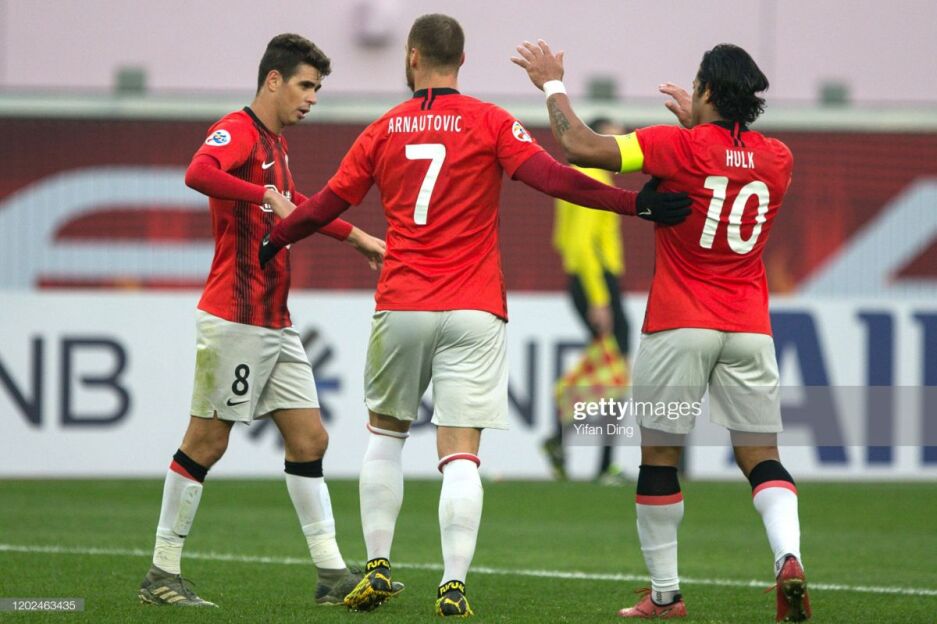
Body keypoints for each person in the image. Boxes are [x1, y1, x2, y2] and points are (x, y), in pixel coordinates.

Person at [259, 14, 691, 617]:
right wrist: (634, 205)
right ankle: (453, 584)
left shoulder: (383, 129)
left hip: (403, 301)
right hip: (475, 306)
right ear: (461, 61)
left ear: (412, 57)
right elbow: (556, 179)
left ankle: (377, 566)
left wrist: (278, 236)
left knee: (385, 436)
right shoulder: (490, 121)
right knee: (461, 453)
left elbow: (329, 201)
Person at [513, 41, 810, 621]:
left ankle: (666, 595)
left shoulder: (674, 146)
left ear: (706, 91)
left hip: (680, 323)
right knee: (762, 457)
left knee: (659, 459)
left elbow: (579, 146)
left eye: (696, 85)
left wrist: (551, 83)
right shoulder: (779, 158)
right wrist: (700, 127)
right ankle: (788, 557)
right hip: (749, 327)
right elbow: (725, 167)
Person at [137, 33, 388, 608]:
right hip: (236, 317)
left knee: (309, 437)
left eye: (317, 88)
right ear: (273, 80)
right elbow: (198, 172)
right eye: (306, 85)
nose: (312, 97)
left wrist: (356, 236)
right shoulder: (238, 129)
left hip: (274, 320)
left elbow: (296, 203)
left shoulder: (275, 142)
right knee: (207, 440)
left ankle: (331, 574)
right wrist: (262, 194)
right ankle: (161, 573)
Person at [545, 116, 632, 484]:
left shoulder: (578, 176)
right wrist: (599, 298)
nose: (620, 148)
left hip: (589, 280)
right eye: (613, 140)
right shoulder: (594, 178)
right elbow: (581, 245)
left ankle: (561, 438)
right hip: (597, 282)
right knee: (616, 370)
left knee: (608, 368)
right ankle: (602, 464)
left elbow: (562, 239)